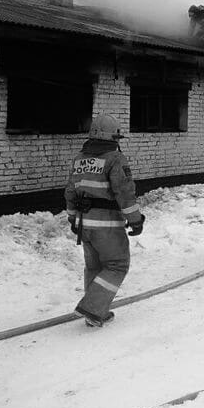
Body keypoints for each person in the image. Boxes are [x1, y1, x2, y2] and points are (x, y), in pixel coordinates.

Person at [64, 114, 145, 327]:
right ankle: (92, 308)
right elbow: (125, 193)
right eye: (117, 138)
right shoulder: (114, 159)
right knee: (117, 265)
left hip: (84, 224)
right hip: (106, 225)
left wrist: (72, 217)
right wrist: (135, 220)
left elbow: (71, 191)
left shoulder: (80, 159)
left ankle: (95, 312)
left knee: (95, 267)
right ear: (112, 137)